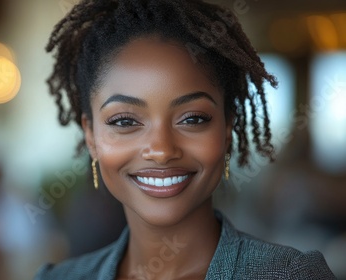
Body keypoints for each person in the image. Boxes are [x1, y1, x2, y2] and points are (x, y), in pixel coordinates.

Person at [35, 0, 337, 279]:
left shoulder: (290, 275)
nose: (162, 150)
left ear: (227, 126)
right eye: (124, 121)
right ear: (91, 136)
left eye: (192, 119)